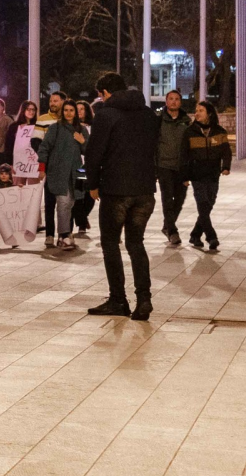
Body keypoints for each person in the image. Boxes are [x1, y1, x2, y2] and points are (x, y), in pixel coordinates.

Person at [85, 72, 159, 321]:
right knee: (136, 243)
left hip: (116, 189)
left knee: (110, 243)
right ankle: (144, 298)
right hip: (144, 190)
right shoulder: (148, 114)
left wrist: (93, 184)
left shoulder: (106, 115)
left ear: (106, 93)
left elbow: (94, 153)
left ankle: (118, 299)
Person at [36, 99, 87, 251]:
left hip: (79, 171)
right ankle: (64, 235)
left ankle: (65, 234)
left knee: (73, 202)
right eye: (66, 110)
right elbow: (44, 148)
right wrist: (42, 168)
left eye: (71, 110)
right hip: (58, 171)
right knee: (63, 202)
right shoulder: (55, 128)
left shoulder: (82, 129)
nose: (68, 113)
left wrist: (82, 141)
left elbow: (89, 151)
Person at [182, 100, 230, 251]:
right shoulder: (189, 132)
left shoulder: (220, 131)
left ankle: (195, 235)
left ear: (209, 113)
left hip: (213, 174)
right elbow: (183, 155)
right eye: (196, 110)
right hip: (197, 175)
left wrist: (226, 167)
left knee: (208, 205)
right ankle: (211, 236)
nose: (197, 113)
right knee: (203, 204)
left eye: (201, 110)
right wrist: (184, 176)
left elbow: (226, 152)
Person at [155, 90, 191, 246]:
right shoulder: (158, 120)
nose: (174, 101)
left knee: (180, 198)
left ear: (180, 102)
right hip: (164, 165)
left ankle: (167, 225)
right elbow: (153, 144)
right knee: (168, 198)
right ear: (166, 101)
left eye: (177, 99)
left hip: (182, 166)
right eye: (171, 99)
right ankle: (172, 231)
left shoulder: (187, 121)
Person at [36, 90, 68, 241]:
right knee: (50, 202)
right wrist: (44, 164)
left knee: (67, 203)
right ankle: (49, 234)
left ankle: (65, 234)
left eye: (55, 101)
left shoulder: (69, 120)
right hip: (50, 167)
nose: (52, 103)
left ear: (63, 102)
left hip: (68, 168)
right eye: (51, 101)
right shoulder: (43, 120)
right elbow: (36, 142)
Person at [72, 100, 97, 233]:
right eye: (77, 109)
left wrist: (84, 141)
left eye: (82, 109)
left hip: (92, 165)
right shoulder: (73, 127)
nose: (79, 111)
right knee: (78, 193)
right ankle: (81, 222)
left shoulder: (95, 126)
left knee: (90, 193)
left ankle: (82, 217)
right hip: (79, 165)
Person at [4, 100, 39, 180]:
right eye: (28, 109)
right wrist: (10, 163)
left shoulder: (38, 126)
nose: (31, 112)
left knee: (33, 187)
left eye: (33, 110)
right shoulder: (14, 126)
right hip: (18, 163)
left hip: (33, 164)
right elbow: (8, 146)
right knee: (18, 186)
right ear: (23, 110)